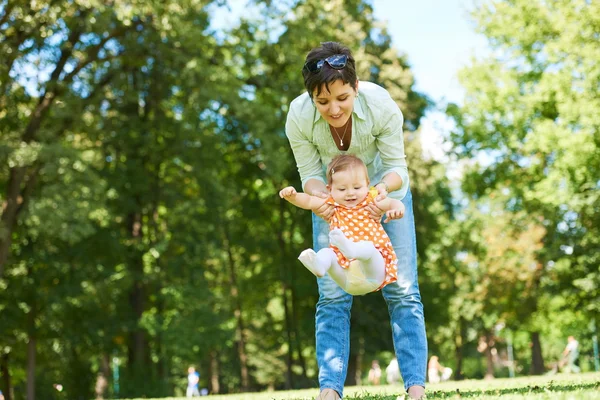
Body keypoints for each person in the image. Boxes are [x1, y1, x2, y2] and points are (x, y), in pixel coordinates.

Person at [284, 41, 427, 400]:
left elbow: (397, 169)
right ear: (311, 97)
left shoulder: (380, 107)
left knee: (403, 289)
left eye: (342, 98)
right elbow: (310, 174)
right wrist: (322, 200)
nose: (333, 109)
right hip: (331, 202)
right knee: (332, 294)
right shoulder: (298, 117)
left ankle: (416, 388)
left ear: (356, 87)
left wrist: (377, 197)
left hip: (382, 195)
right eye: (323, 102)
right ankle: (330, 391)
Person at [280, 154, 405, 295]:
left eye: (357, 187)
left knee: (369, 249)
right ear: (330, 189)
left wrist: (398, 209)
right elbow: (308, 201)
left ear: (367, 184)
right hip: (346, 277)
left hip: (372, 274)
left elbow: (392, 202)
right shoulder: (332, 204)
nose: (350, 193)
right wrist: (293, 196)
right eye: (342, 189)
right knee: (327, 253)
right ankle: (320, 266)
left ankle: (353, 250)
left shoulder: (371, 200)